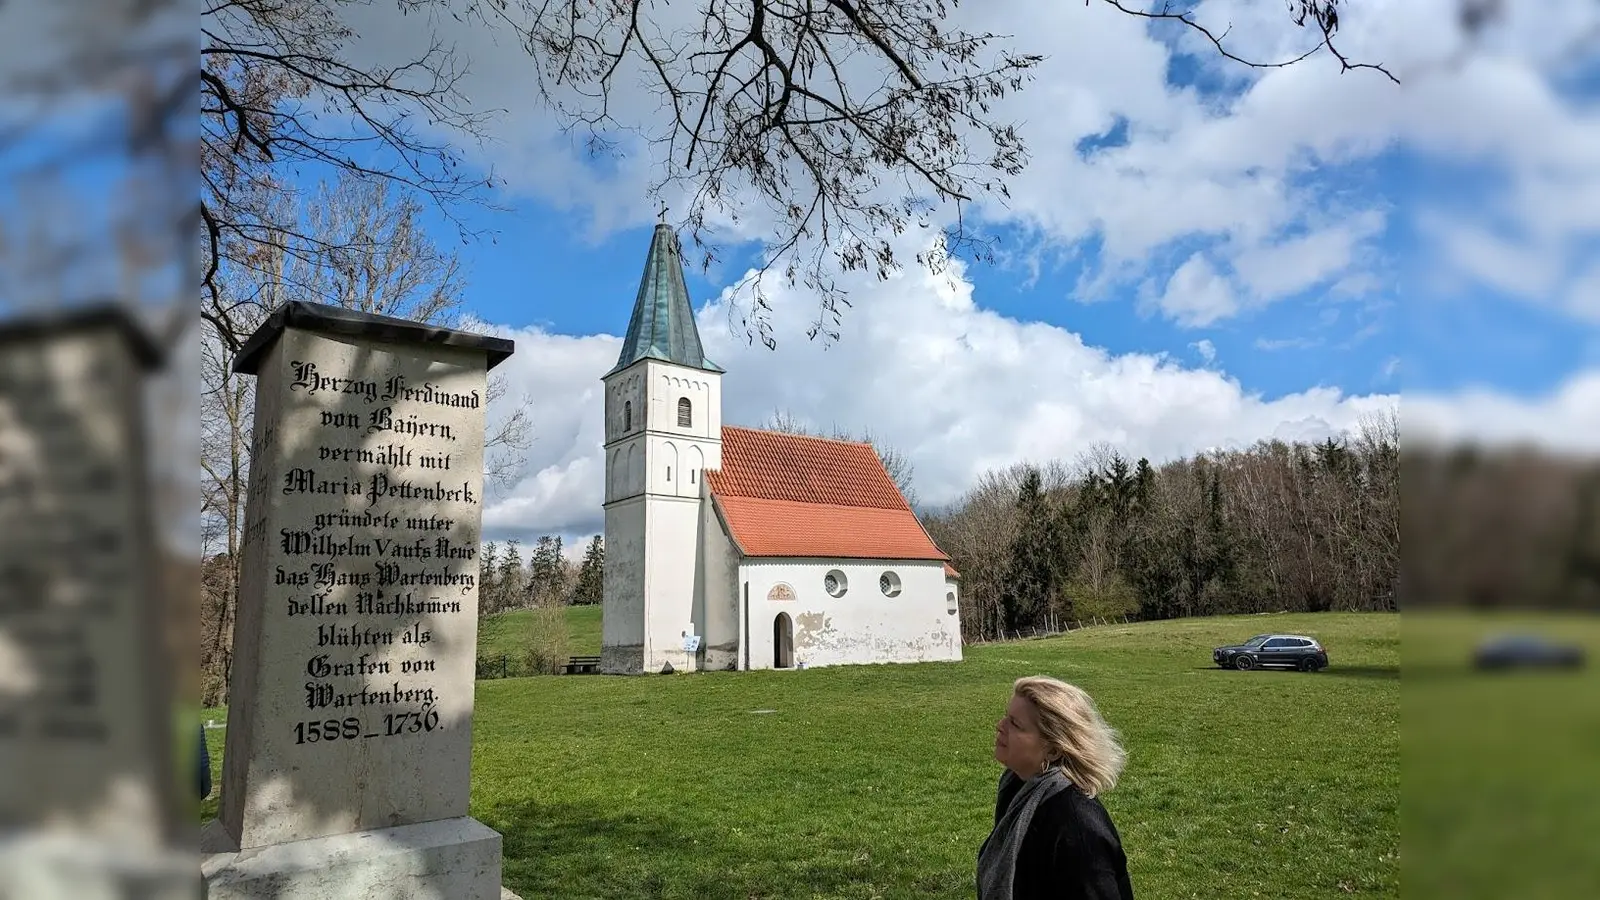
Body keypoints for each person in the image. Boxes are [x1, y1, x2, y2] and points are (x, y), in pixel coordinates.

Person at [977, 676, 1134, 900]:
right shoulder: (1017, 787)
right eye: (1006, 717)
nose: (1000, 726)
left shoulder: (1077, 829)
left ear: (1053, 750)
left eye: (1015, 724)